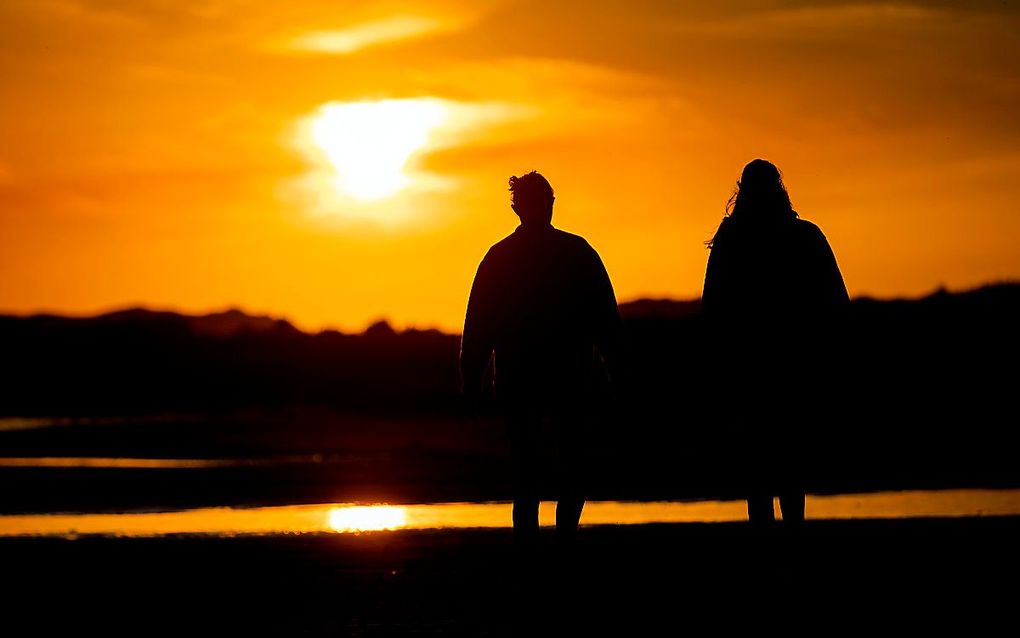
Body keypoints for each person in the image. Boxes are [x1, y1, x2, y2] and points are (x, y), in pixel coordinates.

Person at [460, 170, 623, 550]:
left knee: (531, 468)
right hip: (559, 376)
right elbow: (607, 320)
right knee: (560, 466)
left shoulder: (504, 257)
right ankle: (556, 543)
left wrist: (472, 377)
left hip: (534, 377)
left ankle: (534, 547)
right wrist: (617, 370)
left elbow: (479, 322)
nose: (543, 207)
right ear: (524, 207)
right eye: (540, 201)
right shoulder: (575, 252)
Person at [702, 159, 849, 525]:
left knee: (759, 460)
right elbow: (836, 304)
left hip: (752, 366)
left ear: (742, 192)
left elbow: (713, 310)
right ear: (780, 189)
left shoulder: (731, 240)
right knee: (790, 457)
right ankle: (792, 534)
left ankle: (766, 540)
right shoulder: (805, 236)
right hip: (794, 364)